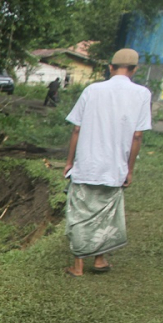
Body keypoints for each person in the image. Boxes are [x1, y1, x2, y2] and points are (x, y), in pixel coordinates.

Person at [62, 48, 151, 277]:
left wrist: (69, 162)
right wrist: (129, 169)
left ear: (110, 67)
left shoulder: (92, 90)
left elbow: (76, 129)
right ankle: (100, 260)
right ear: (134, 70)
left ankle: (78, 265)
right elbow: (137, 136)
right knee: (106, 214)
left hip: (87, 164)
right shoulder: (142, 94)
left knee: (82, 212)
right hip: (115, 167)